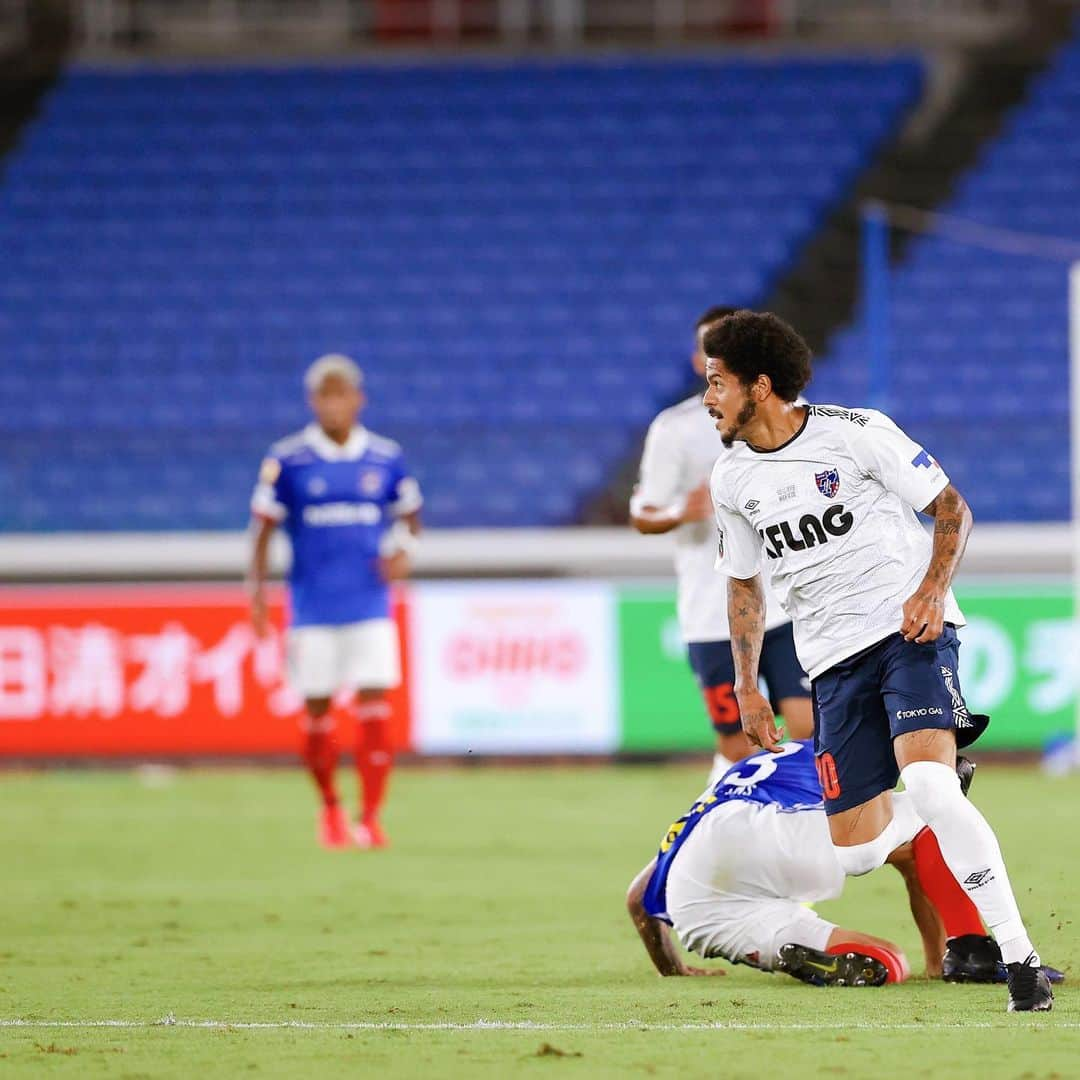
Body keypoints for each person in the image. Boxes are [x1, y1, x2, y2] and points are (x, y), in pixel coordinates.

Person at [701, 310, 1052, 1011]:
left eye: (717, 382)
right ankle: (941, 799)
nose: (708, 397)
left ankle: (1020, 960)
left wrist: (931, 591)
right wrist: (748, 684)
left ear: (760, 386)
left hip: (908, 634)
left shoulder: (856, 432)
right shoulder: (731, 479)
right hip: (830, 663)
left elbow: (952, 508)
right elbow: (743, 584)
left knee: (928, 787)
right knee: (858, 850)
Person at [630, 307, 812, 782]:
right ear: (699, 362)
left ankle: (807, 832)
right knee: (738, 745)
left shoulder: (790, 415)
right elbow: (643, 512)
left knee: (809, 728)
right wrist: (680, 512)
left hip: (785, 601)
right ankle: (719, 829)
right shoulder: (676, 429)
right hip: (713, 613)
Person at [248, 354, 422, 850]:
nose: (334, 404)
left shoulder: (385, 458)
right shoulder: (289, 461)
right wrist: (257, 593)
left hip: (369, 603)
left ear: (358, 399)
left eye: (341, 393)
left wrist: (403, 553)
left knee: (374, 707)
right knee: (318, 711)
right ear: (313, 402)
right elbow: (260, 531)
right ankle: (329, 806)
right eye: (325, 395)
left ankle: (370, 817)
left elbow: (411, 516)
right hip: (313, 606)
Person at [626, 740, 941, 985]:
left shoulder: (740, 775)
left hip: (694, 893)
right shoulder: (845, 748)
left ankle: (807, 953)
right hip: (767, 834)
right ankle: (942, 961)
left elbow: (638, 900)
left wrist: (673, 969)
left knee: (886, 961)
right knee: (927, 826)